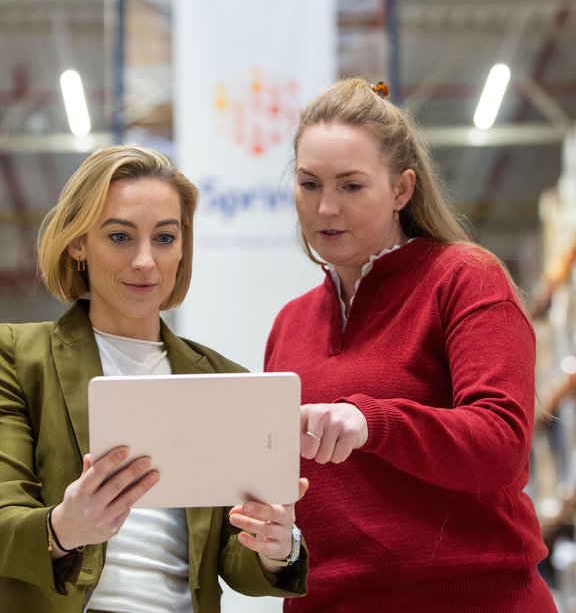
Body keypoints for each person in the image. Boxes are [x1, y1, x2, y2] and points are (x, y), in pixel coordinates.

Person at [264, 78, 557, 612]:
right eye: (309, 185)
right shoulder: (290, 323)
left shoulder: (465, 279)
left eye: (350, 186)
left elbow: (500, 440)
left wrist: (373, 423)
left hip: (474, 600)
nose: (325, 208)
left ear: (402, 189)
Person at [0, 145, 308, 613]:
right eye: (121, 237)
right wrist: (64, 528)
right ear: (78, 243)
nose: (146, 261)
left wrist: (275, 546)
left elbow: (235, 560)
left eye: (165, 238)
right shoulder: (18, 358)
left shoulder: (224, 381)